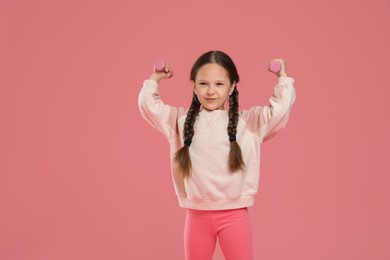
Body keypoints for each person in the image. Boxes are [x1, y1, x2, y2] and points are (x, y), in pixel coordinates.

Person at [138, 50, 296, 260]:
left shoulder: (248, 123)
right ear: (193, 86)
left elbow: (280, 111)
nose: (211, 91)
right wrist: (154, 79)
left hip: (235, 216)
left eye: (219, 84)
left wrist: (282, 78)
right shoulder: (180, 121)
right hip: (196, 217)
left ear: (232, 87)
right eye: (204, 84)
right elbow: (148, 106)